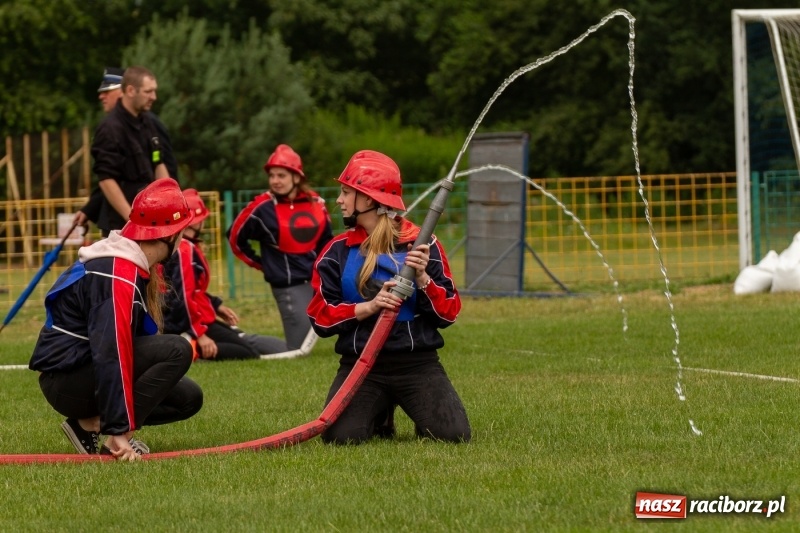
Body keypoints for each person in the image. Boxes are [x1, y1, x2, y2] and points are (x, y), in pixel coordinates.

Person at [29, 178, 203, 461]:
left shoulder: (127, 264)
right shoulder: (116, 272)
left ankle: (87, 425)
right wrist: (120, 431)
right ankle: (110, 435)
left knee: (188, 398)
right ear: (171, 235)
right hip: (66, 382)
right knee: (177, 349)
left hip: (80, 373)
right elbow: (112, 352)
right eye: (182, 232)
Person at [307, 150, 471, 445]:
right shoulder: (336, 252)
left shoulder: (424, 245)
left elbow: (449, 314)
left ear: (368, 200)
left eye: (346, 192)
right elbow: (320, 317)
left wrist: (423, 280)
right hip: (361, 366)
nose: (338, 200)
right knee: (339, 438)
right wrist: (367, 307)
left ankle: (414, 406)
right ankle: (381, 413)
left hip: (417, 365)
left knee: (452, 436)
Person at [228, 144, 333, 351]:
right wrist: (263, 264)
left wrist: (328, 273)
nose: (275, 181)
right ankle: (238, 338)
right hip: (287, 285)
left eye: (281, 175)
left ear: (296, 177)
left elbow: (326, 242)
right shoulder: (261, 208)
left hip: (315, 281)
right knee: (298, 349)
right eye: (272, 175)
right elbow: (235, 237)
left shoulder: (317, 203)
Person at [163, 189, 285, 359]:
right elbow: (182, 297)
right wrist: (199, 334)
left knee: (241, 341)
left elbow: (192, 291)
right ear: (195, 222)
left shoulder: (182, 246)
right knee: (247, 353)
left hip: (195, 317)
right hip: (189, 322)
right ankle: (191, 348)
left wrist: (216, 306)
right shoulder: (185, 250)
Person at [87, 66, 175, 237]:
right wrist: (133, 220)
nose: (154, 97)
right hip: (122, 227)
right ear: (130, 91)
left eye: (154, 91)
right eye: (148, 92)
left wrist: (172, 204)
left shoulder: (147, 123)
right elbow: (106, 180)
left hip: (149, 222)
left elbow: (158, 163)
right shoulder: (110, 128)